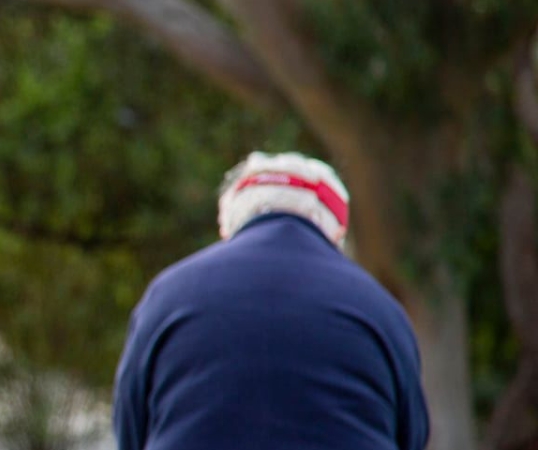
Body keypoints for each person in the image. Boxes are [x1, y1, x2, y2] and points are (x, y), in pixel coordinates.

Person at [113, 151, 428, 450]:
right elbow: (411, 434)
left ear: (227, 226)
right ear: (336, 234)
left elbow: (130, 428)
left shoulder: (168, 295)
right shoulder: (380, 308)